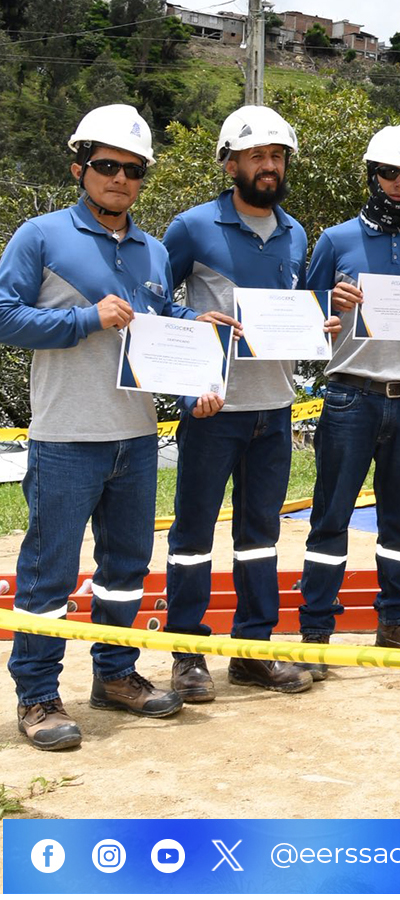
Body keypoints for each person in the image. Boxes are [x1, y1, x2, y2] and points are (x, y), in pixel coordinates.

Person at [0, 105, 230, 749]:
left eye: (132, 170)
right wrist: (84, 321)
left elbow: (158, 330)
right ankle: (39, 695)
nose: (119, 178)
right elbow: (2, 316)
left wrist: (196, 363)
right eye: (107, 165)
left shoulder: (154, 250)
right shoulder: (41, 237)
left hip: (134, 439)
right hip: (66, 437)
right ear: (80, 167)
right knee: (49, 572)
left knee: (126, 566)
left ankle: (116, 675)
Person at [161, 106, 335, 700]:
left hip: (275, 408)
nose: (269, 166)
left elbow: (293, 311)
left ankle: (252, 650)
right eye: (258, 156)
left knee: (260, 533)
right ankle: (188, 654)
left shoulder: (296, 233)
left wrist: (320, 323)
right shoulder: (192, 227)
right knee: (192, 534)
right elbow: (155, 301)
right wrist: (193, 321)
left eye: (278, 156)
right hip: (213, 410)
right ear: (230, 162)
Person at [295, 126, 400, 679]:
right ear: (371, 175)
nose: (398, 184)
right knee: (330, 519)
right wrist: (328, 302)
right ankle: (316, 631)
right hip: (352, 396)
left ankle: (395, 620)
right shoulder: (335, 241)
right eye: (389, 173)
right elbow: (304, 324)